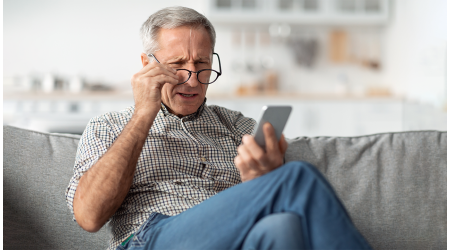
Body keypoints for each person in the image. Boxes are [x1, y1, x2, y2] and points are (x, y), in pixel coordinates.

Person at [66, 6, 372, 250]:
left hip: (233, 238)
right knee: (298, 177)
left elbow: (259, 201)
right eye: (177, 65)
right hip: (153, 238)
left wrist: (262, 179)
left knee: (283, 227)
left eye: (202, 64)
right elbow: (89, 216)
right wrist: (144, 114)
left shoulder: (237, 125)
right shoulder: (109, 126)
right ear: (147, 65)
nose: (192, 78)